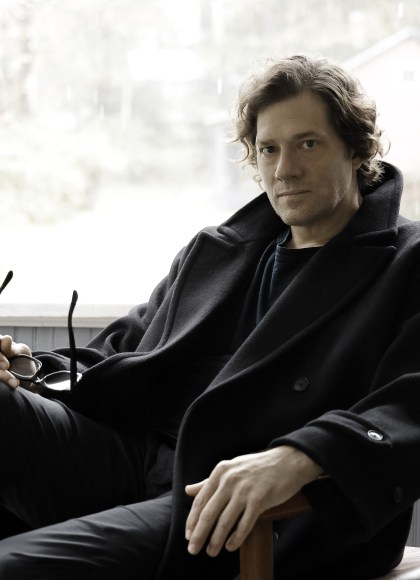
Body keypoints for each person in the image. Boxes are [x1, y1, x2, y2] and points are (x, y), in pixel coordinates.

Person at [0, 53, 420, 580]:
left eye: (308, 144)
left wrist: (304, 454)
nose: (284, 169)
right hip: (139, 459)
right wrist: (24, 366)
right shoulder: (220, 251)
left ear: (357, 148)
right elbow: (120, 354)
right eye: (269, 149)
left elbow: (411, 405)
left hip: (240, 507)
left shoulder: (406, 261)